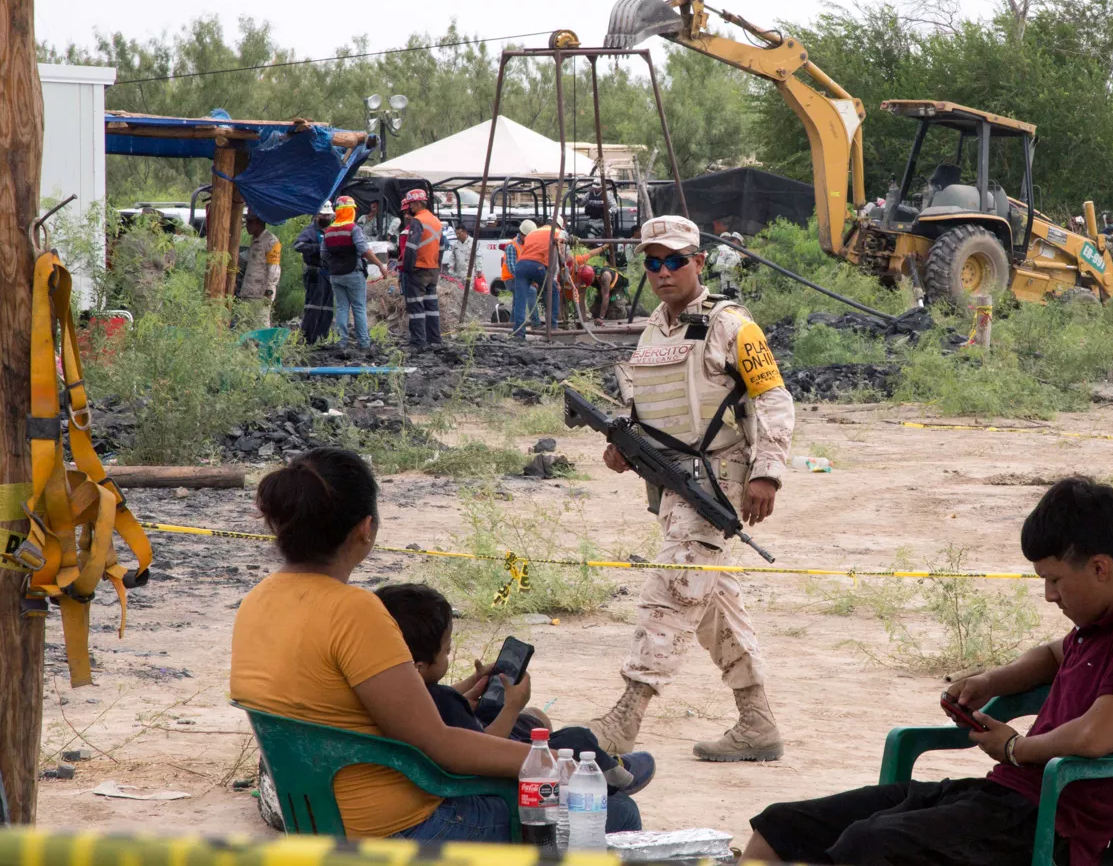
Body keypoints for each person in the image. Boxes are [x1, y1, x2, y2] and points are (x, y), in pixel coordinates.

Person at [744, 477, 1113, 866]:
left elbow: (1096, 736)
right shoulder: (1096, 623)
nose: (1050, 596)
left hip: (1049, 822)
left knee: (869, 844)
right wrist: (991, 681)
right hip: (999, 798)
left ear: (1099, 568)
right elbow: (1052, 655)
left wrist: (1015, 747)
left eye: (1054, 580)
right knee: (783, 826)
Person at [230, 448, 532, 841]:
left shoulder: (258, 600)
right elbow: (438, 746)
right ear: (365, 528)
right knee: (609, 810)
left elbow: (340, 708)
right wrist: (551, 761)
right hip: (394, 829)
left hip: (315, 821)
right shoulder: (354, 611)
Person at [588, 214, 795, 763]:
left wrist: (767, 472)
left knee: (676, 588)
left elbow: (773, 398)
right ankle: (757, 723)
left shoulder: (731, 324)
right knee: (713, 603)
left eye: (675, 260)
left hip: (721, 479)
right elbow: (648, 405)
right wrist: (624, 445)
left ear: (698, 262)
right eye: (652, 262)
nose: (663, 271)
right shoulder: (654, 329)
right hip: (673, 482)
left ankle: (624, 717)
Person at [374, 582, 652, 833]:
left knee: (533, 721)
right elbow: (480, 749)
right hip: (468, 788)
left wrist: (472, 684)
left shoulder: (382, 689)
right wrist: (512, 706)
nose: (448, 656)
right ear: (419, 666)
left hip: (430, 773)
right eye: (446, 652)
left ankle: (609, 767)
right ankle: (613, 776)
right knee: (577, 744)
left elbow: (431, 700)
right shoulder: (442, 701)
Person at [322, 196, 386, 350]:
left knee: (342, 308)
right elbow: (364, 250)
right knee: (358, 307)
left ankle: (341, 342)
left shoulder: (328, 231)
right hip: (353, 273)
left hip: (336, 275)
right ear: (350, 211)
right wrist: (380, 265)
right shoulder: (353, 229)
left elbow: (323, 254)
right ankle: (363, 342)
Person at [400, 188, 444, 351]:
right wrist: (437, 265)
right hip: (432, 269)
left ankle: (418, 341)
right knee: (431, 306)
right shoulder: (435, 220)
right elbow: (442, 246)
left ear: (418, 203)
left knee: (415, 306)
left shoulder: (418, 221)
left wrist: (406, 269)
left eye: (411, 204)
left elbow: (411, 247)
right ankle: (435, 339)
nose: (410, 208)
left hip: (418, 268)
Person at [512, 217, 564, 338]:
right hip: (537, 265)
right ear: (559, 226)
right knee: (553, 290)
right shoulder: (558, 233)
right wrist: (555, 279)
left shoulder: (533, 232)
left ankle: (519, 334)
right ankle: (552, 325)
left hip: (520, 266)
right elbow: (558, 259)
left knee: (520, 300)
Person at [294, 201, 336, 344]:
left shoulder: (330, 230)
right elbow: (298, 245)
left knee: (327, 307)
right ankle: (307, 339)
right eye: (323, 215)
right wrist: (318, 248)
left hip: (328, 273)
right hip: (314, 272)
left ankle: (321, 337)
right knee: (314, 306)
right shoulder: (310, 231)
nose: (326, 218)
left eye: (328, 215)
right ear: (318, 215)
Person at [237, 213, 282, 328]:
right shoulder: (255, 240)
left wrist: (268, 292)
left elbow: (274, 269)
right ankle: (249, 347)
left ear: (258, 223)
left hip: (261, 295)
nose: (247, 226)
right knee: (245, 326)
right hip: (248, 292)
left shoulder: (271, 241)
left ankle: (263, 346)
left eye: (250, 222)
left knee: (261, 326)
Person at [709, 232, 745, 299]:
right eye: (740, 244)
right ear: (736, 241)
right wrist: (732, 268)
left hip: (736, 282)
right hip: (728, 284)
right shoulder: (724, 249)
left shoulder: (736, 252)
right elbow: (718, 267)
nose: (740, 246)